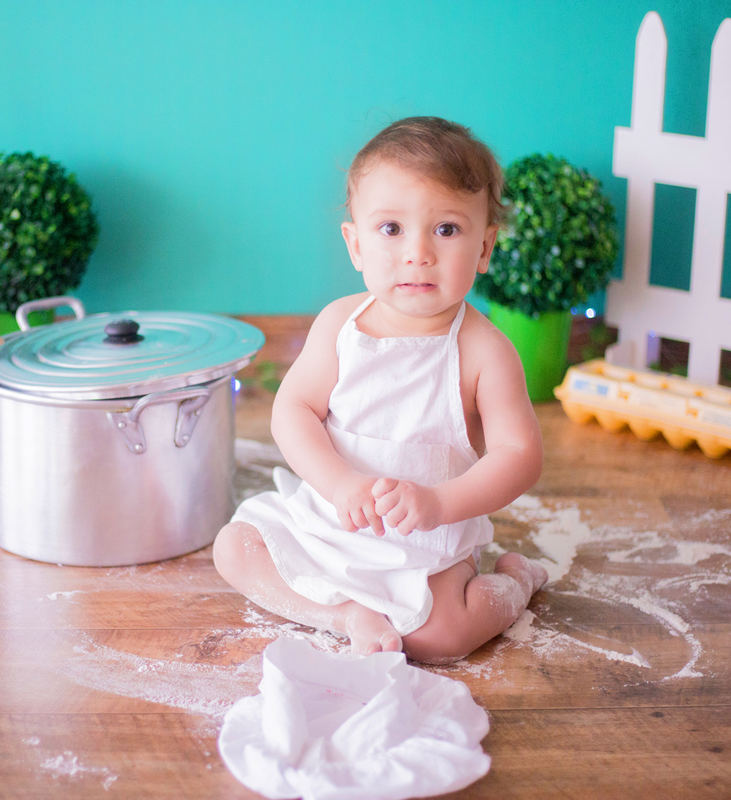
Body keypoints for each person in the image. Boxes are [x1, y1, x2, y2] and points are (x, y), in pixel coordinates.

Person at [214, 116, 549, 664]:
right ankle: (345, 614)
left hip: (425, 542)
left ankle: (515, 582)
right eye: (391, 229)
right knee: (235, 547)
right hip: (334, 518)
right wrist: (341, 485)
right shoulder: (340, 325)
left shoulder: (485, 351)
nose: (417, 252)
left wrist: (441, 503)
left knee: (439, 638)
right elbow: (293, 410)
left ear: (485, 246)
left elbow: (521, 455)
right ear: (356, 244)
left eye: (446, 229)